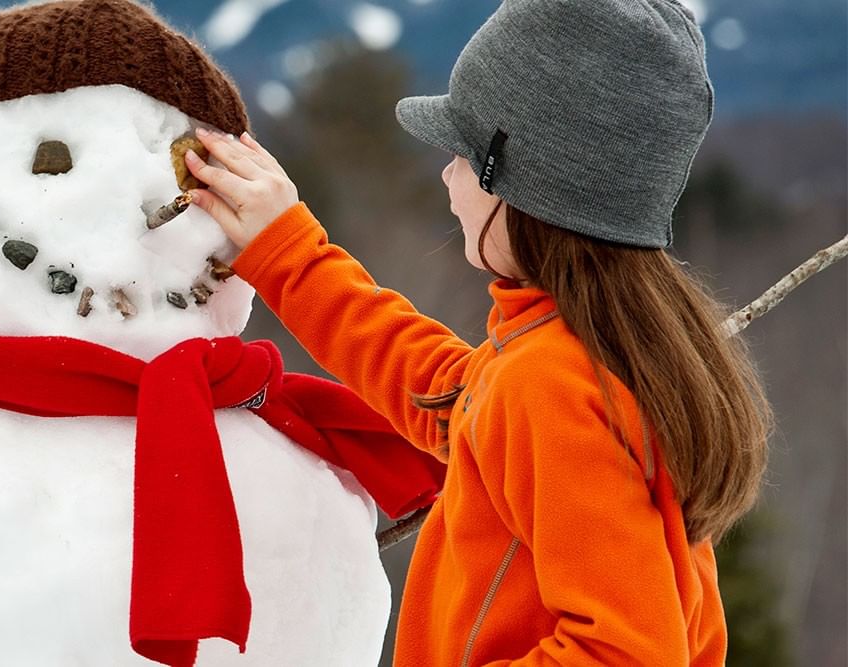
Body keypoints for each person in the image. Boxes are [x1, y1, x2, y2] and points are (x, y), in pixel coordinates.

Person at [167, 0, 768, 664]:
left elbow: (625, 652)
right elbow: (453, 399)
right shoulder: (606, 353)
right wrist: (288, 253)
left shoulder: (551, 386)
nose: (449, 176)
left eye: (462, 151)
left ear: (513, 182)